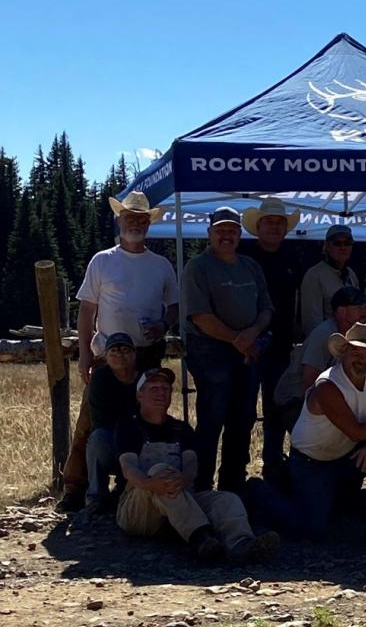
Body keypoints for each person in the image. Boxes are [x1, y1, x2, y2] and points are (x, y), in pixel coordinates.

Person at [58, 191, 179, 512]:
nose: (136, 224)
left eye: (142, 219)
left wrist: (164, 324)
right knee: (91, 422)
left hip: (147, 356)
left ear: (149, 224)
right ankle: (75, 488)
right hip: (107, 355)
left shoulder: (161, 265)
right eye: (130, 218)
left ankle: (130, 486)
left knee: (143, 420)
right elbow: (86, 311)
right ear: (119, 220)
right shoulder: (103, 260)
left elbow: (175, 306)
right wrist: (84, 354)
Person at [116, 368, 279, 562]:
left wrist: (183, 480)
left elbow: (191, 463)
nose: (160, 393)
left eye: (165, 388)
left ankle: (242, 544)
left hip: (181, 499)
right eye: (153, 388)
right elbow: (128, 468)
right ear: (139, 394)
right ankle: (202, 539)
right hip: (140, 509)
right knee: (160, 472)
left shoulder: (181, 429)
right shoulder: (128, 427)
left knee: (226, 499)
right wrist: (151, 484)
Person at [289, 323, 366, 545]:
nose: (362, 358)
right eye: (356, 351)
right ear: (344, 352)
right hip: (311, 462)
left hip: (347, 457)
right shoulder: (327, 384)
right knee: (312, 530)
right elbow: (356, 431)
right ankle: (260, 494)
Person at [182, 206, 273, 494]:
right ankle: (203, 487)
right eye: (220, 230)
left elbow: (267, 309)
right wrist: (239, 339)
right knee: (212, 420)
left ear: (240, 234)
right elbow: (200, 317)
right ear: (209, 233)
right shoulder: (198, 267)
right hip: (210, 351)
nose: (226, 235)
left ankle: (232, 487)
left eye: (232, 230)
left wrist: (252, 333)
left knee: (242, 420)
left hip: (247, 350)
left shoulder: (251, 266)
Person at [240, 197, 301, 483]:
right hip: (247, 346)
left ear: (286, 228)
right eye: (269, 222)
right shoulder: (242, 255)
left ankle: (272, 466)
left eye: (280, 222)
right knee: (243, 411)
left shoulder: (294, 257)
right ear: (258, 226)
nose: (275, 227)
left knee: (276, 410)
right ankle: (236, 469)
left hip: (280, 348)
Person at [273, 286, 366, 427]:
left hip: (322, 397)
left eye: (365, 307)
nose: (365, 312)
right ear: (341, 312)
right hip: (294, 401)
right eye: (359, 308)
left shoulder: (354, 334)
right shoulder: (324, 335)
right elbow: (310, 382)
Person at [84, 332, 139, 514]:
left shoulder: (145, 378)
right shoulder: (100, 379)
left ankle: (128, 493)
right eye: (114, 351)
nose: (120, 355)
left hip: (140, 439)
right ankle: (96, 497)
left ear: (134, 354)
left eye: (125, 350)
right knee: (97, 438)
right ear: (106, 357)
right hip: (113, 438)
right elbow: (100, 420)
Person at [300, 225, 360, 336]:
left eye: (347, 243)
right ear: (327, 246)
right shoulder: (314, 275)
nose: (343, 247)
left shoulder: (351, 275)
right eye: (337, 243)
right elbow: (311, 322)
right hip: (324, 343)